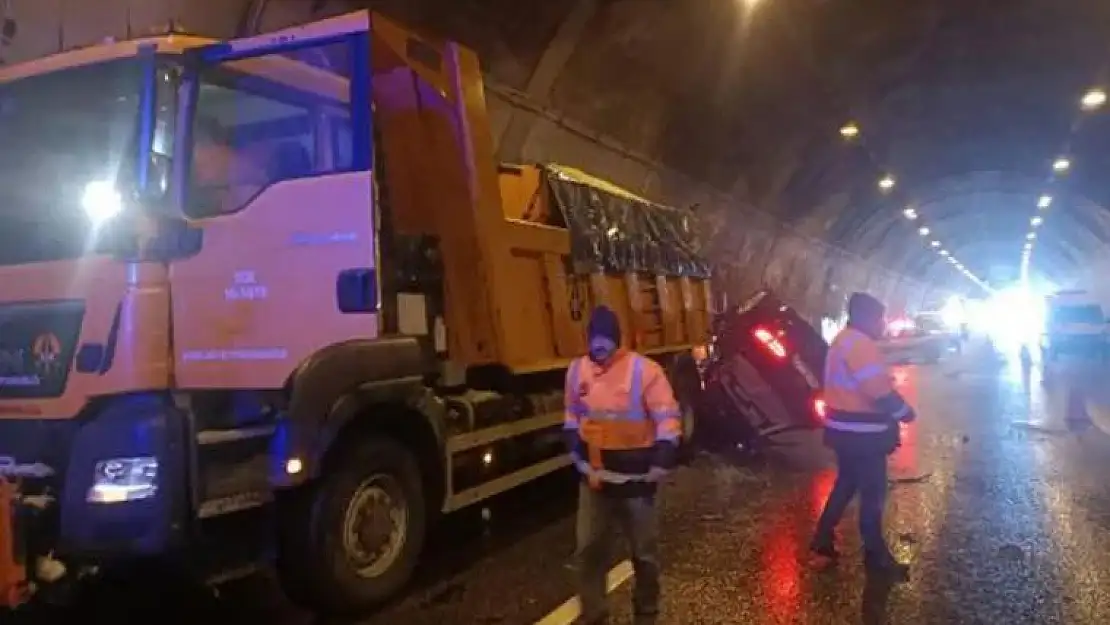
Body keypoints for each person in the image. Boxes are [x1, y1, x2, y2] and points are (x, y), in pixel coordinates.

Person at [564, 305, 682, 625]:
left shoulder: (645, 372)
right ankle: (594, 614)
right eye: (594, 340)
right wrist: (575, 449)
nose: (598, 347)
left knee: (644, 555)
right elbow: (572, 416)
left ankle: (646, 613)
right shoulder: (577, 371)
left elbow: (667, 419)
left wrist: (662, 457)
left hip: (637, 481)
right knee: (588, 551)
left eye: (604, 339)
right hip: (596, 480)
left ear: (616, 340)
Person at [810, 292, 915, 578]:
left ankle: (822, 537)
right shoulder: (861, 345)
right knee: (873, 493)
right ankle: (876, 556)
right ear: (866, 318)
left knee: (846, 484)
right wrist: (905, 412)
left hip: (842, 431)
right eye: (879, 318)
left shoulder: (842, 340)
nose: (882, 324)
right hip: (862, 435)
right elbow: (878, 390)